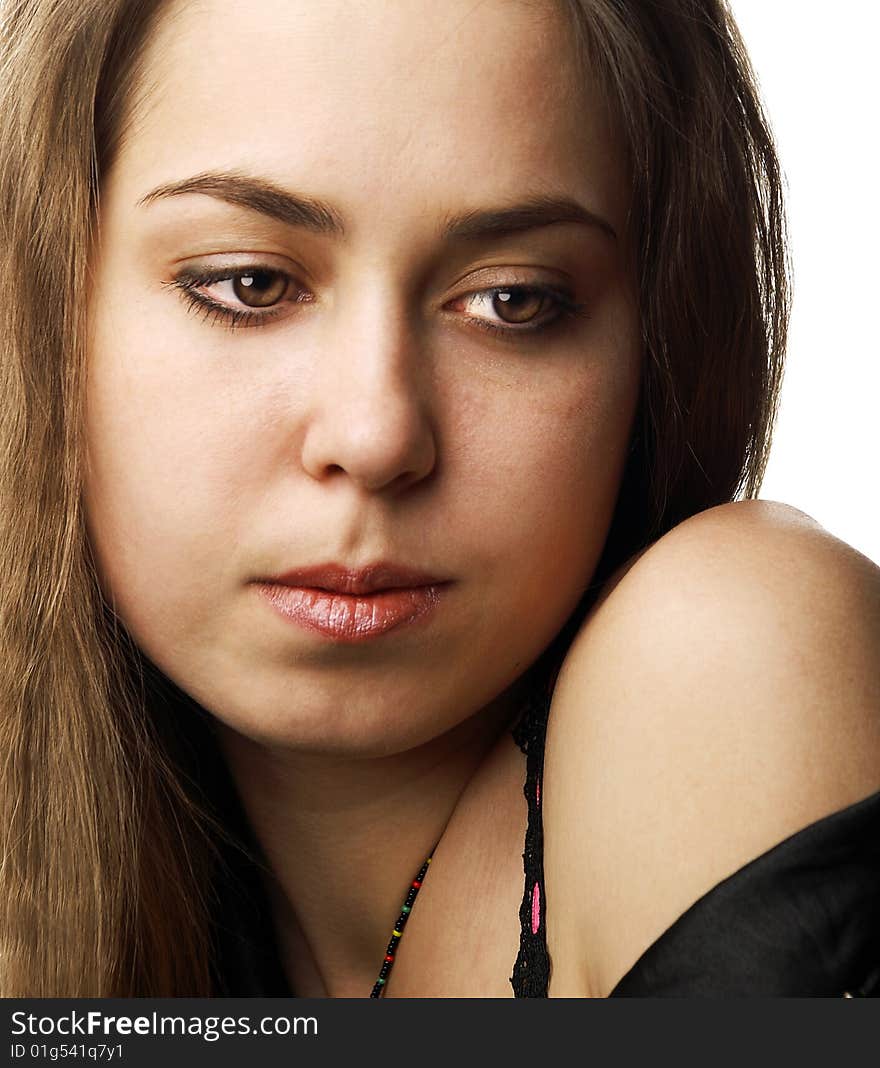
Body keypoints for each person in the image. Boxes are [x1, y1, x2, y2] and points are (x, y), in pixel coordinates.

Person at [1, 0, 878, 999]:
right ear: (43, 302)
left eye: (513, 299)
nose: (375, 435)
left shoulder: (727, 650)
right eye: (247, 283)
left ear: (658, 343)